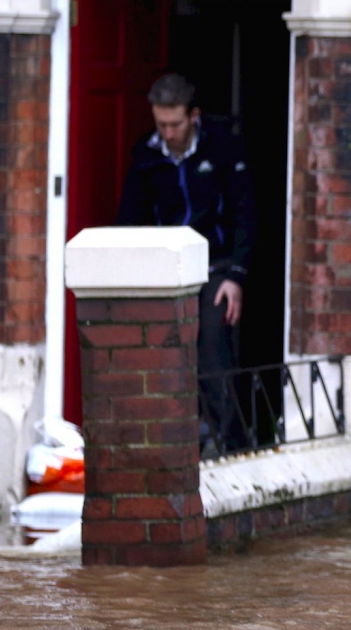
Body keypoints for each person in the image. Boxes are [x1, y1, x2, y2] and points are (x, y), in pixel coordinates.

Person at [117, 73, 257, 452]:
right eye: (161, 124)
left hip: (216, 264)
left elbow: (246, 213)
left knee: (212, 344)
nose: (168, 132)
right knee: (162, 349)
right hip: (164, 268)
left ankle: (228, 443)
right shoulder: (146, 156)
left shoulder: (223, 148)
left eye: (175, 124)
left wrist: (237, 275)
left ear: (193, 116)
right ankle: (167, 443)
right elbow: (131, 217)